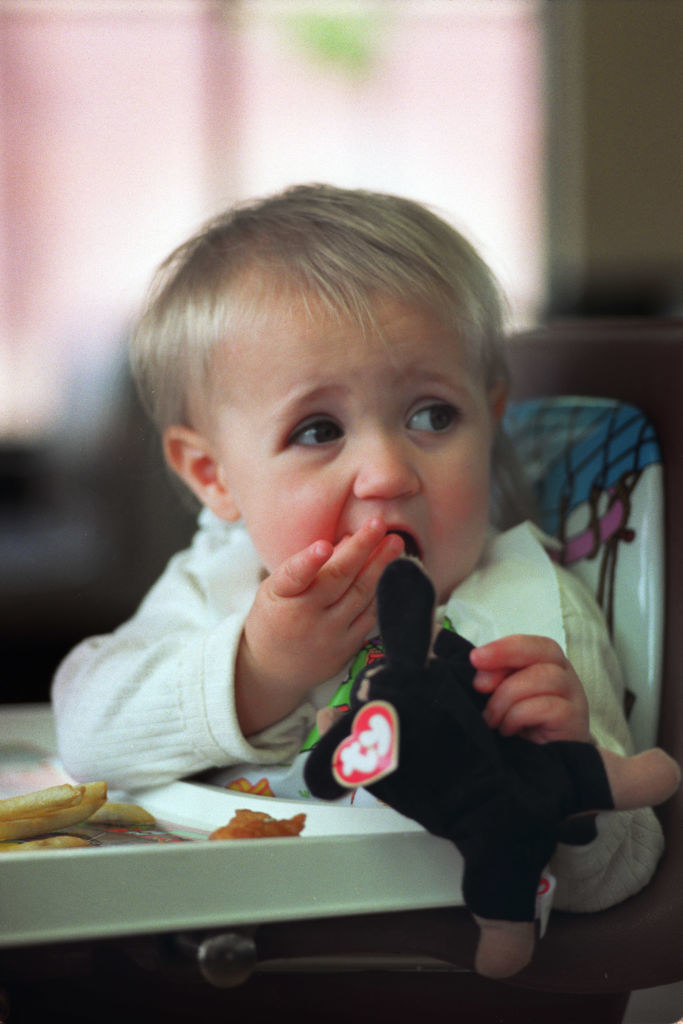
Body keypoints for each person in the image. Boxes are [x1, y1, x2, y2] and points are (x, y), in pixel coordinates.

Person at [53, 183, 665, 913]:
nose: (388, 473)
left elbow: (621, 883)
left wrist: (567, 780)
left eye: (433, 415)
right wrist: (256, 671)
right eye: (318, 430)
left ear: (490, 420)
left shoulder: (527, 615)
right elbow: (87, 730)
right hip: (224, 931)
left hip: (412, 966)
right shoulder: (220, 579)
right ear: (213, 475)